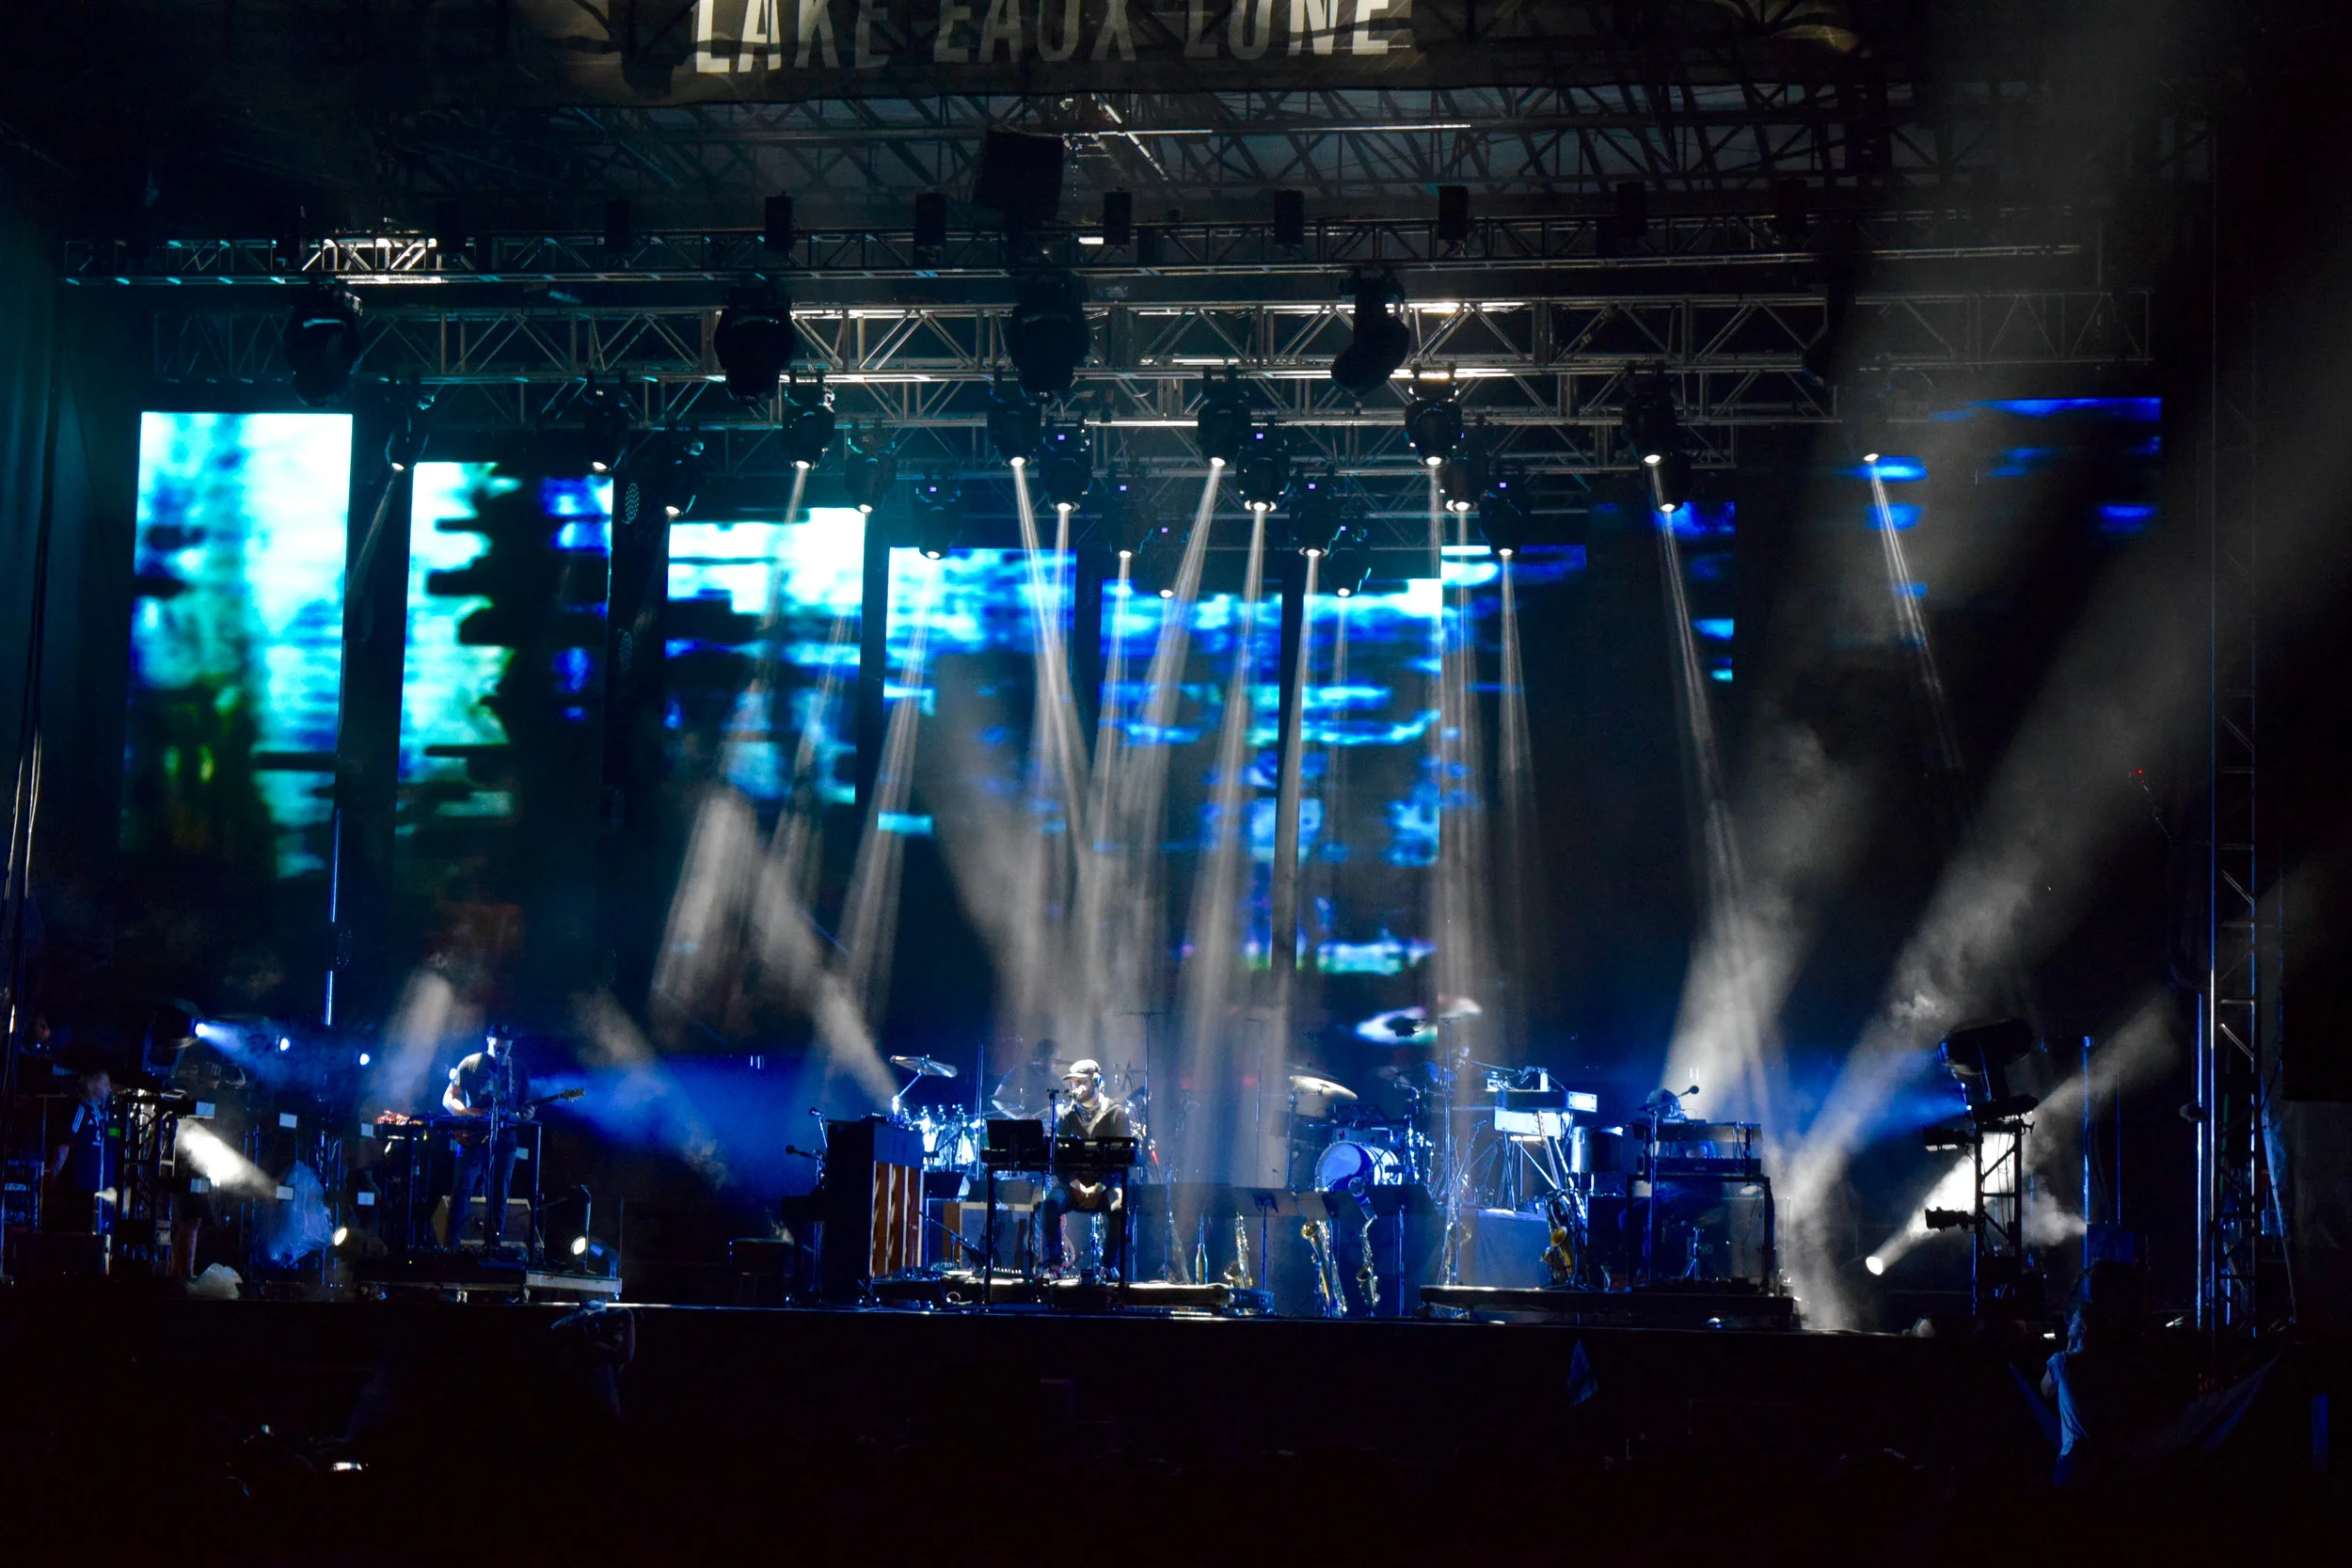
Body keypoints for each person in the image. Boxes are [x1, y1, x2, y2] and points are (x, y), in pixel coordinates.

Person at [1040, 1059, 1132, 1276]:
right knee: (1050, 1205)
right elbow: (1059, 1161)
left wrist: (1099, 1185)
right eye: (1073, 1082)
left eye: (1081, 1082)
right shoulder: (1066, 1116)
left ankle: (1108, 1266)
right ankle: (1054, 1265)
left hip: (1106, 1184)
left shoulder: (1116, 1114)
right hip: (1073, 1185)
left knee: (1119, 1208)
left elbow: (1121, 1160)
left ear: (1097, 1081)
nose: (1075, 1087)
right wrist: (1077, 1184)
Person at [442, 1028, 530, 1252]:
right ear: (489, 1039)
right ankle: (450, 1247)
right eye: (499, 1041)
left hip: (505, 1139)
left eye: (507, 1042)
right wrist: (466, 1114)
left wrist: (527, 1114)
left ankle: (493, 1247)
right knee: (463, 1189)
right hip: (474, 1137)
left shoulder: (518, 1070)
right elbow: (448, 1098)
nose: (503, 1045)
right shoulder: (471, 1063)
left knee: (499, 1194)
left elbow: (523, 1107)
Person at [43, 1061, 113, 1234]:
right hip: (75, 1186)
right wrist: (53, 1177)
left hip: (90, 1187)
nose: (109, 1089)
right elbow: (64, 1146)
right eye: (105, 1084)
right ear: (92, 1085)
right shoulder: (80, 1110)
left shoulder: (99, 1116)